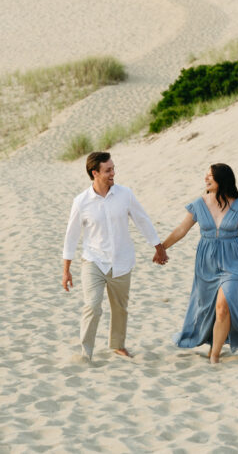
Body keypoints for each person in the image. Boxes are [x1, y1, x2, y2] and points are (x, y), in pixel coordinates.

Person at [62, 151, 168, 360]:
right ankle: (86, 352)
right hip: (93, 261)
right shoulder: (81, 202)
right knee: (92, 306)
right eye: (108, 170)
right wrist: (66, 271)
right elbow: (71, 237)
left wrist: (158, 246)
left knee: (120, 307)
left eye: (113, 168)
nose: (113, 173)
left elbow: (142, 220)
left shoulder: (125, 194)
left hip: (121, 260)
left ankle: (117, 345)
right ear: (95, 173)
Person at [160, 163, 238, 363]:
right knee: (208, 308)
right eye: (206, 175)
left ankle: (215, 355)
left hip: (234, 263)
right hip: (207, 265)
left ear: (222, 180)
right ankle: (213, 345)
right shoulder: (199, 204)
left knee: (222, 306)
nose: (206, 179)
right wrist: (162, 247)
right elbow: (181, 230)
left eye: (210, 176)